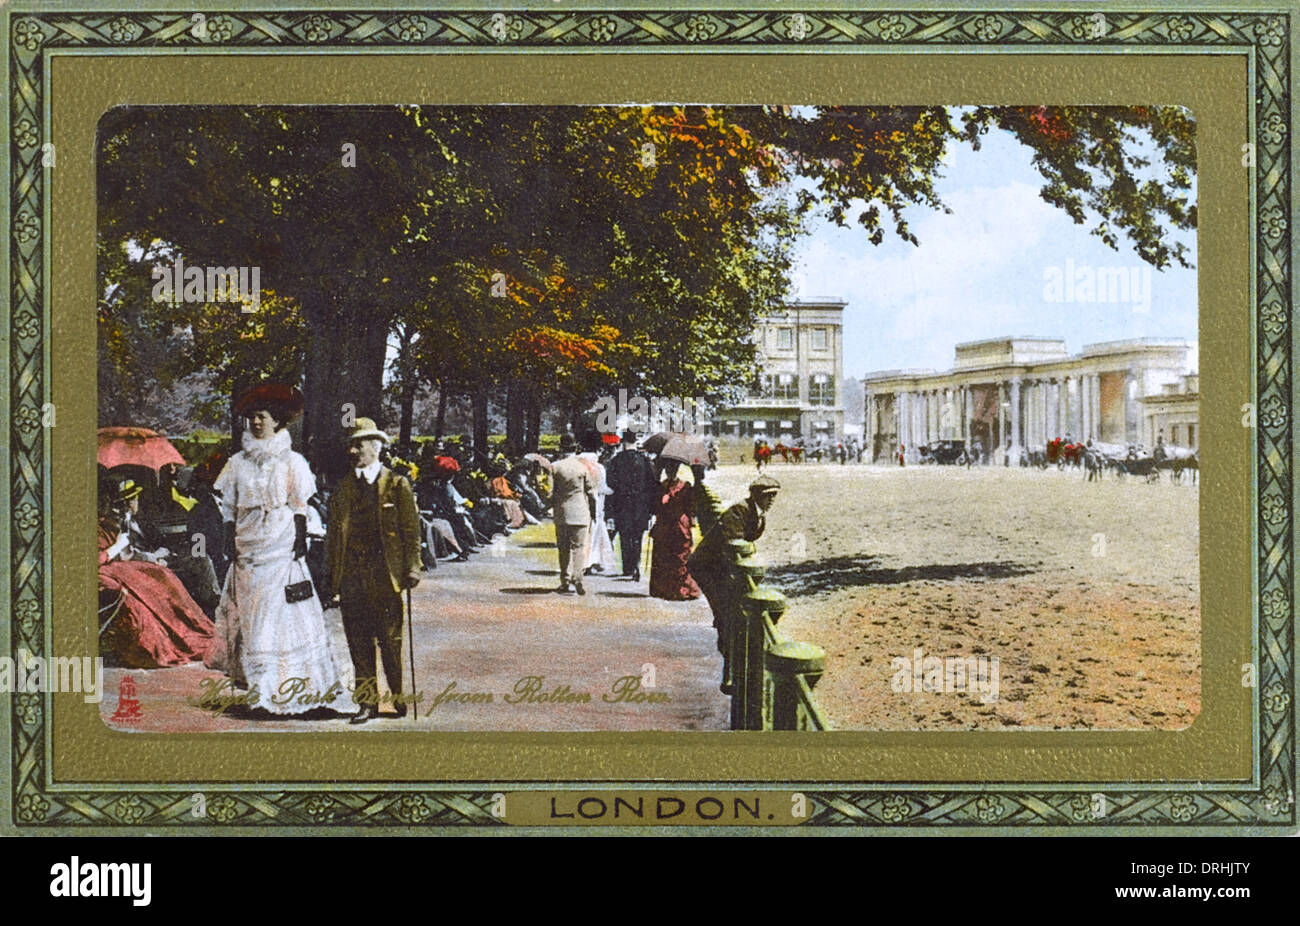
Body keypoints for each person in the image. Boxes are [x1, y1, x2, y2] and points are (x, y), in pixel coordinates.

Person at [206, 384, 355, 719]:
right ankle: (261, 690)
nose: (256, 423)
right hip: (248, 544)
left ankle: (297, 688)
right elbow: (228, 509)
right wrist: (229, 539)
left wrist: (300, 540)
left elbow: (299, 506)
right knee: (254, 616)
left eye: (262, 417)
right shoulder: (237, 464)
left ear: (277, 422)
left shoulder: (292, 461)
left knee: (284, 615)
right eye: (251, 418)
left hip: (281, 542)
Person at [325, 417, 424, 724]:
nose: (353, 451)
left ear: (376, 447)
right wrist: (333, 578)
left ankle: (396, 695)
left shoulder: (396, 484)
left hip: (386, 576)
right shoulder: (342, 489)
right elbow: (332, 538)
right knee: (358, 642)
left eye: (360, 444)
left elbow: (411, 530)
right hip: (353, 577)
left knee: (390, 640)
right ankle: (366, 703)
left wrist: (412, 567)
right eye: (351, 445)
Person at [98, 478, 216, 668]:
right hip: (143, 566)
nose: (133, 503)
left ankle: (202, 615)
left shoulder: (139, 520)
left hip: (156, 560)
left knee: (198, 562)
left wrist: (161, 555)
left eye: (133, 499)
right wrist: (129, 547)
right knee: (165, 580)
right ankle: (191, 629)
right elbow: (124, 554)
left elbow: (156, 542)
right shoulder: (112, 526)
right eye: (129, 500)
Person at [688, 474, 781, 650]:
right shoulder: (740, 510)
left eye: (774, 495)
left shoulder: (758, 515)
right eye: (767, 495)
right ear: (755, 495)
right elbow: (733, 543)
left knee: (728, 609)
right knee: (723, 609)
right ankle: (726, 650)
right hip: (707, 567)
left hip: (721, 567)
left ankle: (728, 647)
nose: (771, 500)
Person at [605, 430, 657, 581]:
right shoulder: (645, 461)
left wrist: (610, 511)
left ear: (622, 442)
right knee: (637, 536)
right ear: (636, 442)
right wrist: (652, 509)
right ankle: (636, 564)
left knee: (625, 536)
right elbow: (652, 486)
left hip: (621, 504)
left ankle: (627, 567)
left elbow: (610, 487)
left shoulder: (615, 461)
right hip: (641, 505)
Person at [648, 461, 704, 601]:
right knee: (662, 557)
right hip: (664, 526)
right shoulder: (661, 487)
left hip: (679, 526)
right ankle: (663, 589)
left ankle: (682, 589)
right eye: (668, 468)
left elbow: (691, 505)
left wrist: (673, 500)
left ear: (677, 469)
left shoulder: (685, 487)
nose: (670, 471)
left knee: (680, 557)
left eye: (673, 468)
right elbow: (654, 508)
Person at [550, 434, 597, 595]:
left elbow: (550, 492)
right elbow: (591, 492)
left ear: (561, 447)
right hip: (580, 512)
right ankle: (578, 578)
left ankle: (565, 580)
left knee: (563, 548)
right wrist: (594, 512)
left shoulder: (555, 467)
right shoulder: (582, 468)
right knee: (579, 548)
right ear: (575, 448)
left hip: (562, 512)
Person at [579, 432, 617, 576]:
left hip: (578, 502)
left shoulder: (576, 462)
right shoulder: (598, 467)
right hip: (596, 503)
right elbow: (602, 488)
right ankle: (591, 561)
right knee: (594, 533)